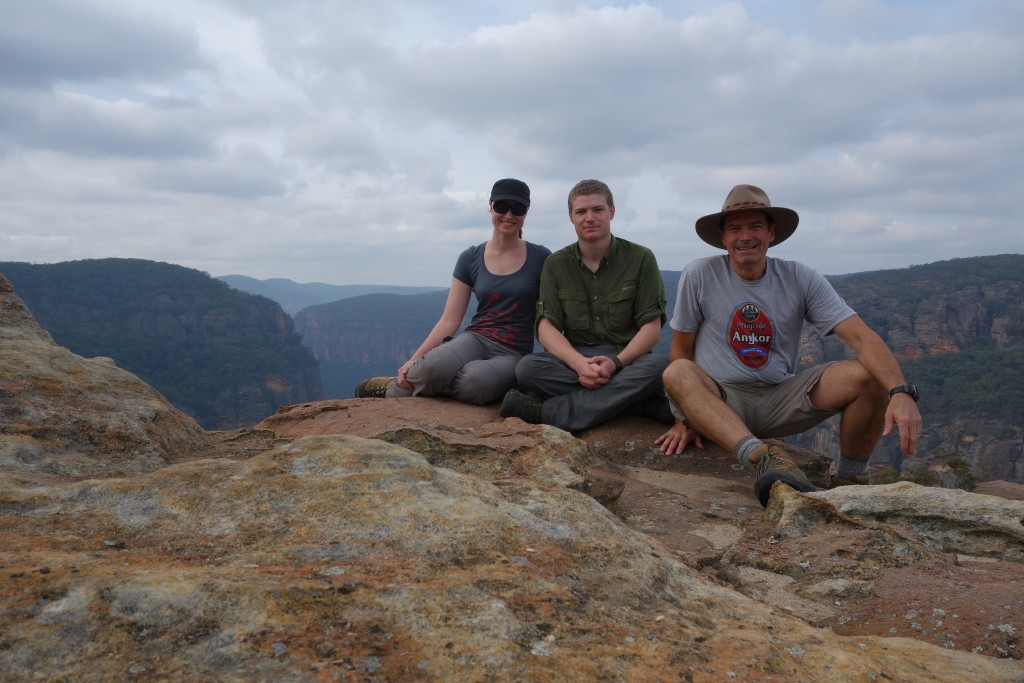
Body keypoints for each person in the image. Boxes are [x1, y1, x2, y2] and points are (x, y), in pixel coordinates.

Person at [655, 184, 923, 507]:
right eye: (735, 228)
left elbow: (860, 337)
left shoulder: (799, 277)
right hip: (721, 399)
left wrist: (901, 391)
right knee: (677, 372)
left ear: (771, 233)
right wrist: (686, 417)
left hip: (779, 397)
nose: (745, 237)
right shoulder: (699, 275)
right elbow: (680, 350)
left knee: (870, 376)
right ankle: (760, 457)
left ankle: (852, 479)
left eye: (755, 226)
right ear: (723, 238)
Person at [354, 178, 551, 404]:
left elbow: (547, 318)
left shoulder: (541, 258)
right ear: (490, 205)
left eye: (517, 208)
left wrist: (550, 365)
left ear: (526, 212)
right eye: (501, 206)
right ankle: (394, 387)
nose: (508, 215)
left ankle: (427, 385)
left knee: (475, 383)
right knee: (429, 370)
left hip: (513, 351)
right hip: (476, 338)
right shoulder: (471, 257)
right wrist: (414, 360)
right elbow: (449, 320)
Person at [499, 179, 672, 432]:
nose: (589, 218)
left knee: (659, 367)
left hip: (625, 360)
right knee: (527, 368)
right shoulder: (556, 264)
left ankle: (543, 411)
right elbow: (546, 327)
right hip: (574, 360)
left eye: (597, 210)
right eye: (581, 211)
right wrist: (580, 364)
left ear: (611, 211)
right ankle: (635, 404)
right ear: (571, 217)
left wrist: (615, 363)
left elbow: (651, 328)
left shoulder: (641, 258)